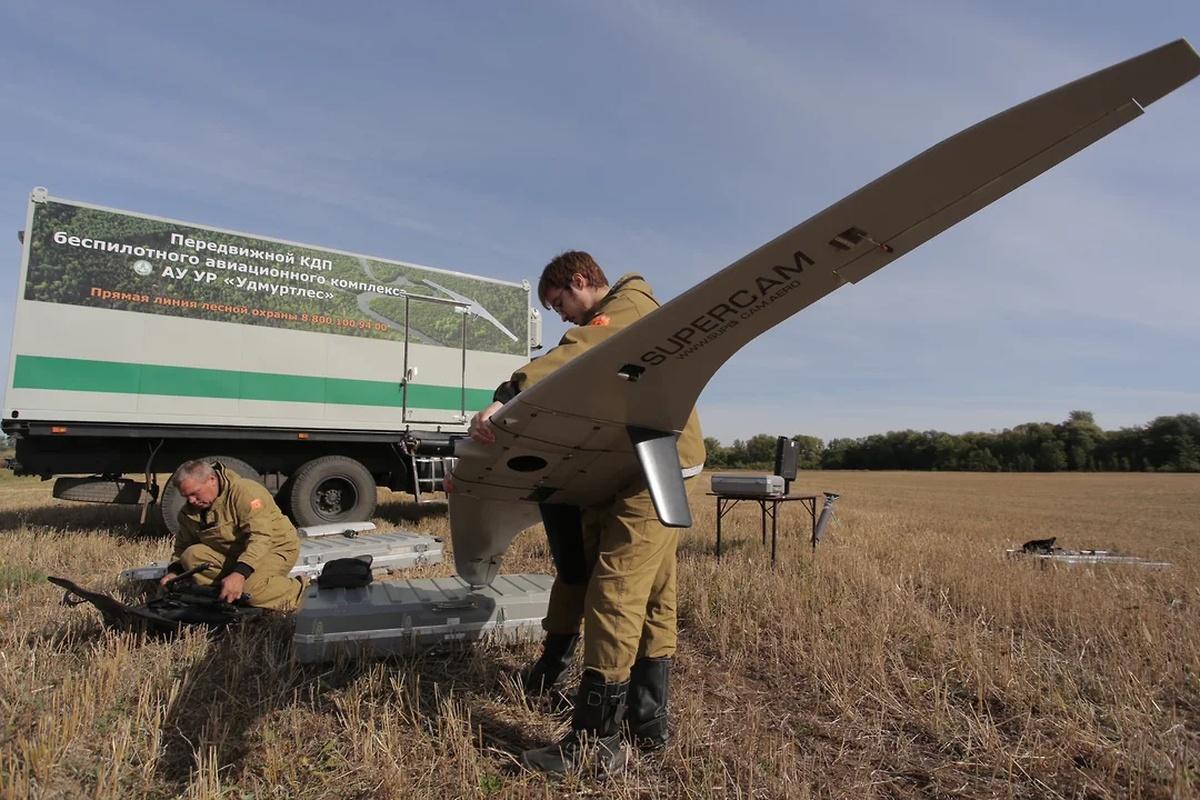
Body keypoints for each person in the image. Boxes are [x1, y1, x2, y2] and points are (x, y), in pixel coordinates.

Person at [465, 251, 704, 775]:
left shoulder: (627, 310)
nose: (562, 316)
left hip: (647, 466)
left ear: (580, 281)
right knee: (655, 595)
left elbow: (579, 351)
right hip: (643, 463)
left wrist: (506, 396)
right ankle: (647, 724)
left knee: (614, 589)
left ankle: (595, 744)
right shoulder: (633, 312)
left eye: (559, 303)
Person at [159, 459, 303, 611]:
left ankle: (300, 591)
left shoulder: (245, 492)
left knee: (249, 590)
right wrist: (174, 573)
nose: (191, 500)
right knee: (191, 555)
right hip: (236, 553)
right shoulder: (189, 512)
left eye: (194, 493)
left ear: (212, 480)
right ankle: (227, 593)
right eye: (186, 496)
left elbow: (261, 537)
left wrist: (240, 573)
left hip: (274, 548)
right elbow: (183, 545)